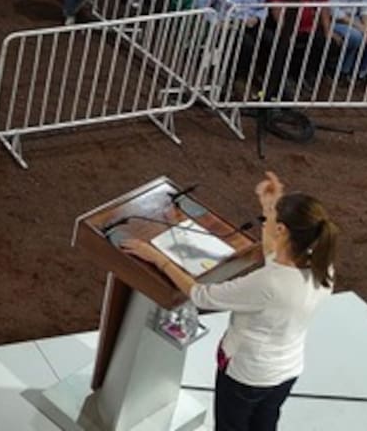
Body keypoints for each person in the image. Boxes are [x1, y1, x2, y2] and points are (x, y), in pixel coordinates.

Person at [123, 172, 336, 431]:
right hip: (286, 370)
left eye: (267, 220)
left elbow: (202, 295)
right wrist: (271, 204)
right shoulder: (322, 266)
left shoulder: (269, 283)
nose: (265, 223)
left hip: (248, 374)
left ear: (282, 230)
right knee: (265, 424)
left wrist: (157, 257)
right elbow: (274, 251)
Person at [326, 0, 367, 80]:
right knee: (355, 36)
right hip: (336, 20)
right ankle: (342, 71)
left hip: (356, 17)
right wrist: (360, 27)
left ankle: (363, 72)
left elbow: (366, 8)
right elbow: (334, 11)